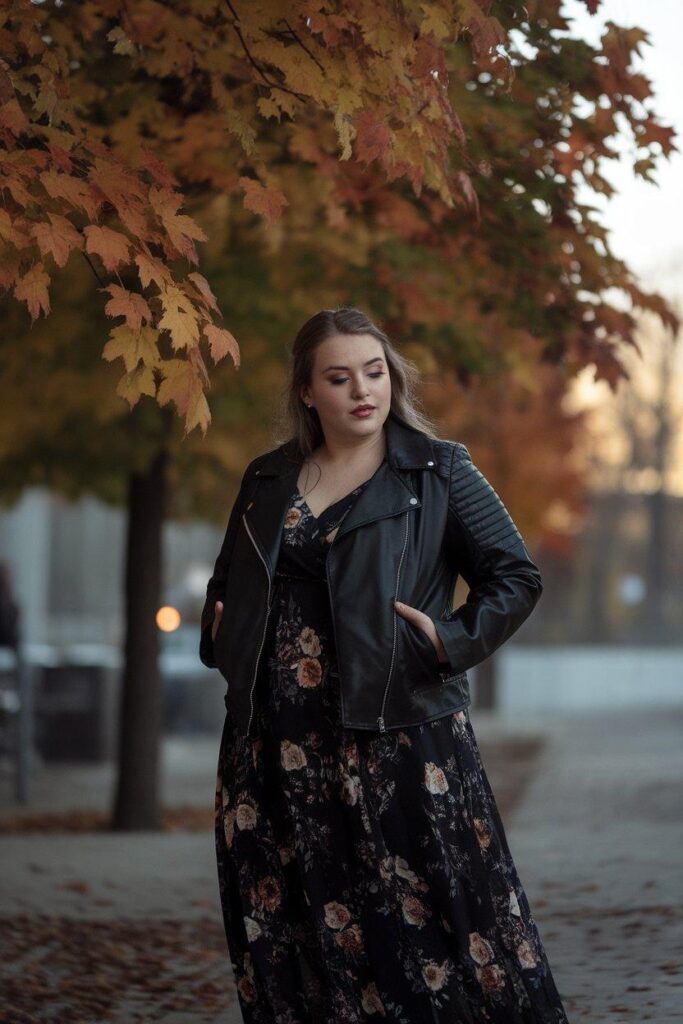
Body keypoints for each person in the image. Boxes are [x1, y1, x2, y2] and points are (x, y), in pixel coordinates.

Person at [200, 308, 570, 1023]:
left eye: (373, 373)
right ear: (307, 392)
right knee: (296, 930)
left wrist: (447, 641)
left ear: (391, 377)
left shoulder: (439, 469)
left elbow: (515, 578)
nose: (361, 391)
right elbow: (226, 583)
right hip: (272, 743)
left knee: (429, 927)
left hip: (397, 733)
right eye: (338, 378)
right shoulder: (268, 477)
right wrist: (223, 629)